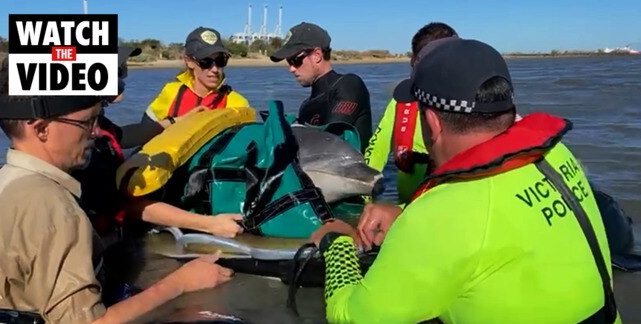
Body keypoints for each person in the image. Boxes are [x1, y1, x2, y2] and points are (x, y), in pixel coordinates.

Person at [311, 38, 631, 324]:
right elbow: (497, 216)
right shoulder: (557, 154)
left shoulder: (441, 217)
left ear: (432, 123)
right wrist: (405, 213)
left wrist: (337, 243)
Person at [0, 59, 234, 324]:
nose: (96, 131)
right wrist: (180, 283)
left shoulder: (2, 182)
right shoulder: (55, 208)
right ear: (41, 128)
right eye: (87, 121)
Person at [70, 47, 243, 305]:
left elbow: (126, 135)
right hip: (93, 264)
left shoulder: (97, 125)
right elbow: (131, 206)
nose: (124, 77)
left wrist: (177, 122)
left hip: (110, 245)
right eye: (118, 71)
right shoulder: (87, 146)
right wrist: (210, 224)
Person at [364, 22, 457, 204]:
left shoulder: (471, 103)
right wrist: (364, 200)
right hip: (408, 207)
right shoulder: (401, 100)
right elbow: (376, 151)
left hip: (451, 203)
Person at [269, 22, 372, 152]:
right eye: (289, 62)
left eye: (295, 60)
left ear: (317, 55)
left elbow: (329, 139)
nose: (291, 69)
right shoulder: (306, 105)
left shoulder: (349, 85)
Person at [142, 26, 249, 131]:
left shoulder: (238, 103)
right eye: (205, 62)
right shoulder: (171, 92)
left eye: (220, 61)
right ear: (189, 62)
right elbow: (144, 132)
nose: (215, 69)